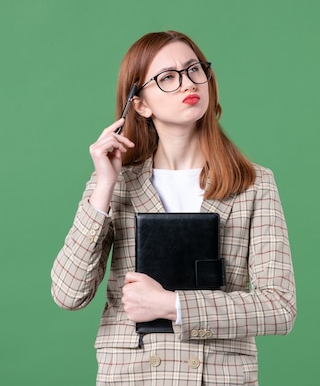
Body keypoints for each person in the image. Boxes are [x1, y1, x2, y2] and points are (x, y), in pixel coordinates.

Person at [51, 30, 297, 385]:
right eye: (167, 77)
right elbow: (68, 293)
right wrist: (104, 183)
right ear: (140, 104)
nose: (187, 83)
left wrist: (172, 305)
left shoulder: (253, 183)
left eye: (194, 69)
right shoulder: (115, 183)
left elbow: (280, 308)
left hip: (218, 375)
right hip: (133, 376)